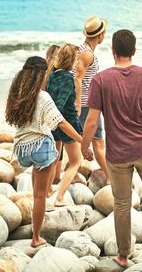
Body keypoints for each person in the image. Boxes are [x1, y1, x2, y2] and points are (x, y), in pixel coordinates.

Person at [81, 29, 142, 268]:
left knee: (122, 204)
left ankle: (123, 255)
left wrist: (85, 146)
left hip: (117, 154)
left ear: (113, 51)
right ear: (134, 51)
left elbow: (91, 120)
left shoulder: (101, 80)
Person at [5, 56, 83, 248]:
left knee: (35, 192)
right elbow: (61, 123)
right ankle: (36, 238)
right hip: (41, 149)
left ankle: (35, 222)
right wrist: (83, 140)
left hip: (23, 149)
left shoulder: (17, 95)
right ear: (41, 74)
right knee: (40, 195)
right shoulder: (42, 97)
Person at [46, 43, 88, 206]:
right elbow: (59, 106)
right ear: (72, 60)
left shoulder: (51, 75)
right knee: (75, 162)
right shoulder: (68, 79)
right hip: (67, 123)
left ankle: (49, 189)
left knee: (55, 159)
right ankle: (59, 197)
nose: (77, 63)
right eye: (76, 59)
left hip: (52, 125)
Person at [75, 16, 109, 182]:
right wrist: (78, 104)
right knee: (98, 143)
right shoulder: (87, 54)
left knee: (77, 140)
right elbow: (78, 78)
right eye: (104, 33)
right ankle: (111, 177)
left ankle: (72, 173)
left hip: (87, 103)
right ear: (100, 35)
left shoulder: (83, 50)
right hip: (87, 104)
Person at [44, 44, 62, 184]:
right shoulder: (58, 74)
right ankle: (54, 180)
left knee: (50, 148)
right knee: (57, 149)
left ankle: (52, 179)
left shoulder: (43, 74)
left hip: (44, 116)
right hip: (56, 114)